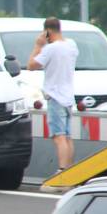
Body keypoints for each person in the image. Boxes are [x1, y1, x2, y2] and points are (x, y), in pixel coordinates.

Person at [28, 16, 79, 188]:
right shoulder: (71, 45)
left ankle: (62, 172)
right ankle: (70, 171)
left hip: (55, 96)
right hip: (68, 97)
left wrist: (38, 45)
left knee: (59, 137)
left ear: (47, 31)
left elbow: (31, 65)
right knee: (67, 137)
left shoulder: (50, 49)